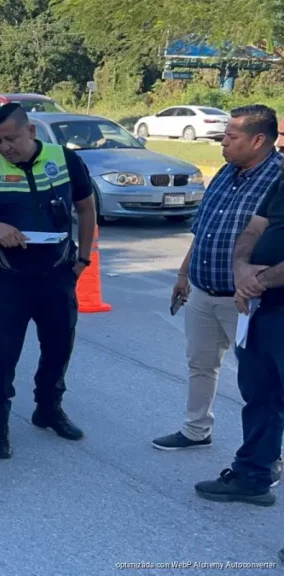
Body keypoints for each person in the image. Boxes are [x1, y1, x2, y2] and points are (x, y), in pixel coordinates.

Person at [0, 103, 97, 459]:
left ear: (31, 132)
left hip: (57, 276)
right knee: (2, 356)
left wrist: (83, 259)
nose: (5, 147)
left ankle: (48, 409)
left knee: (58, 349)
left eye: (12, 139)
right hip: (9, 280)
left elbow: (85, 207)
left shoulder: (64, 160)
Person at [152, 105, 282, 461]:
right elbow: (203, 230)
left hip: (248, 300)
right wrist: (183, 274)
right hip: (202, 290)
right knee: (201, 364)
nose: (222, 142)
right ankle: (196, 430)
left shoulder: (278, 179)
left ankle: (267, 457)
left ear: (258, 141)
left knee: (260, 384)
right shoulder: (226, 172)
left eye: (231, 137)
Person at [193, 166, 284, 506]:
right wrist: (241, 266)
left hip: (266, 296)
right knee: (260, 396)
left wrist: (259, 280)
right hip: (264, 309)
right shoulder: (281, 181)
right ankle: (253, 475)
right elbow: (255, 227)